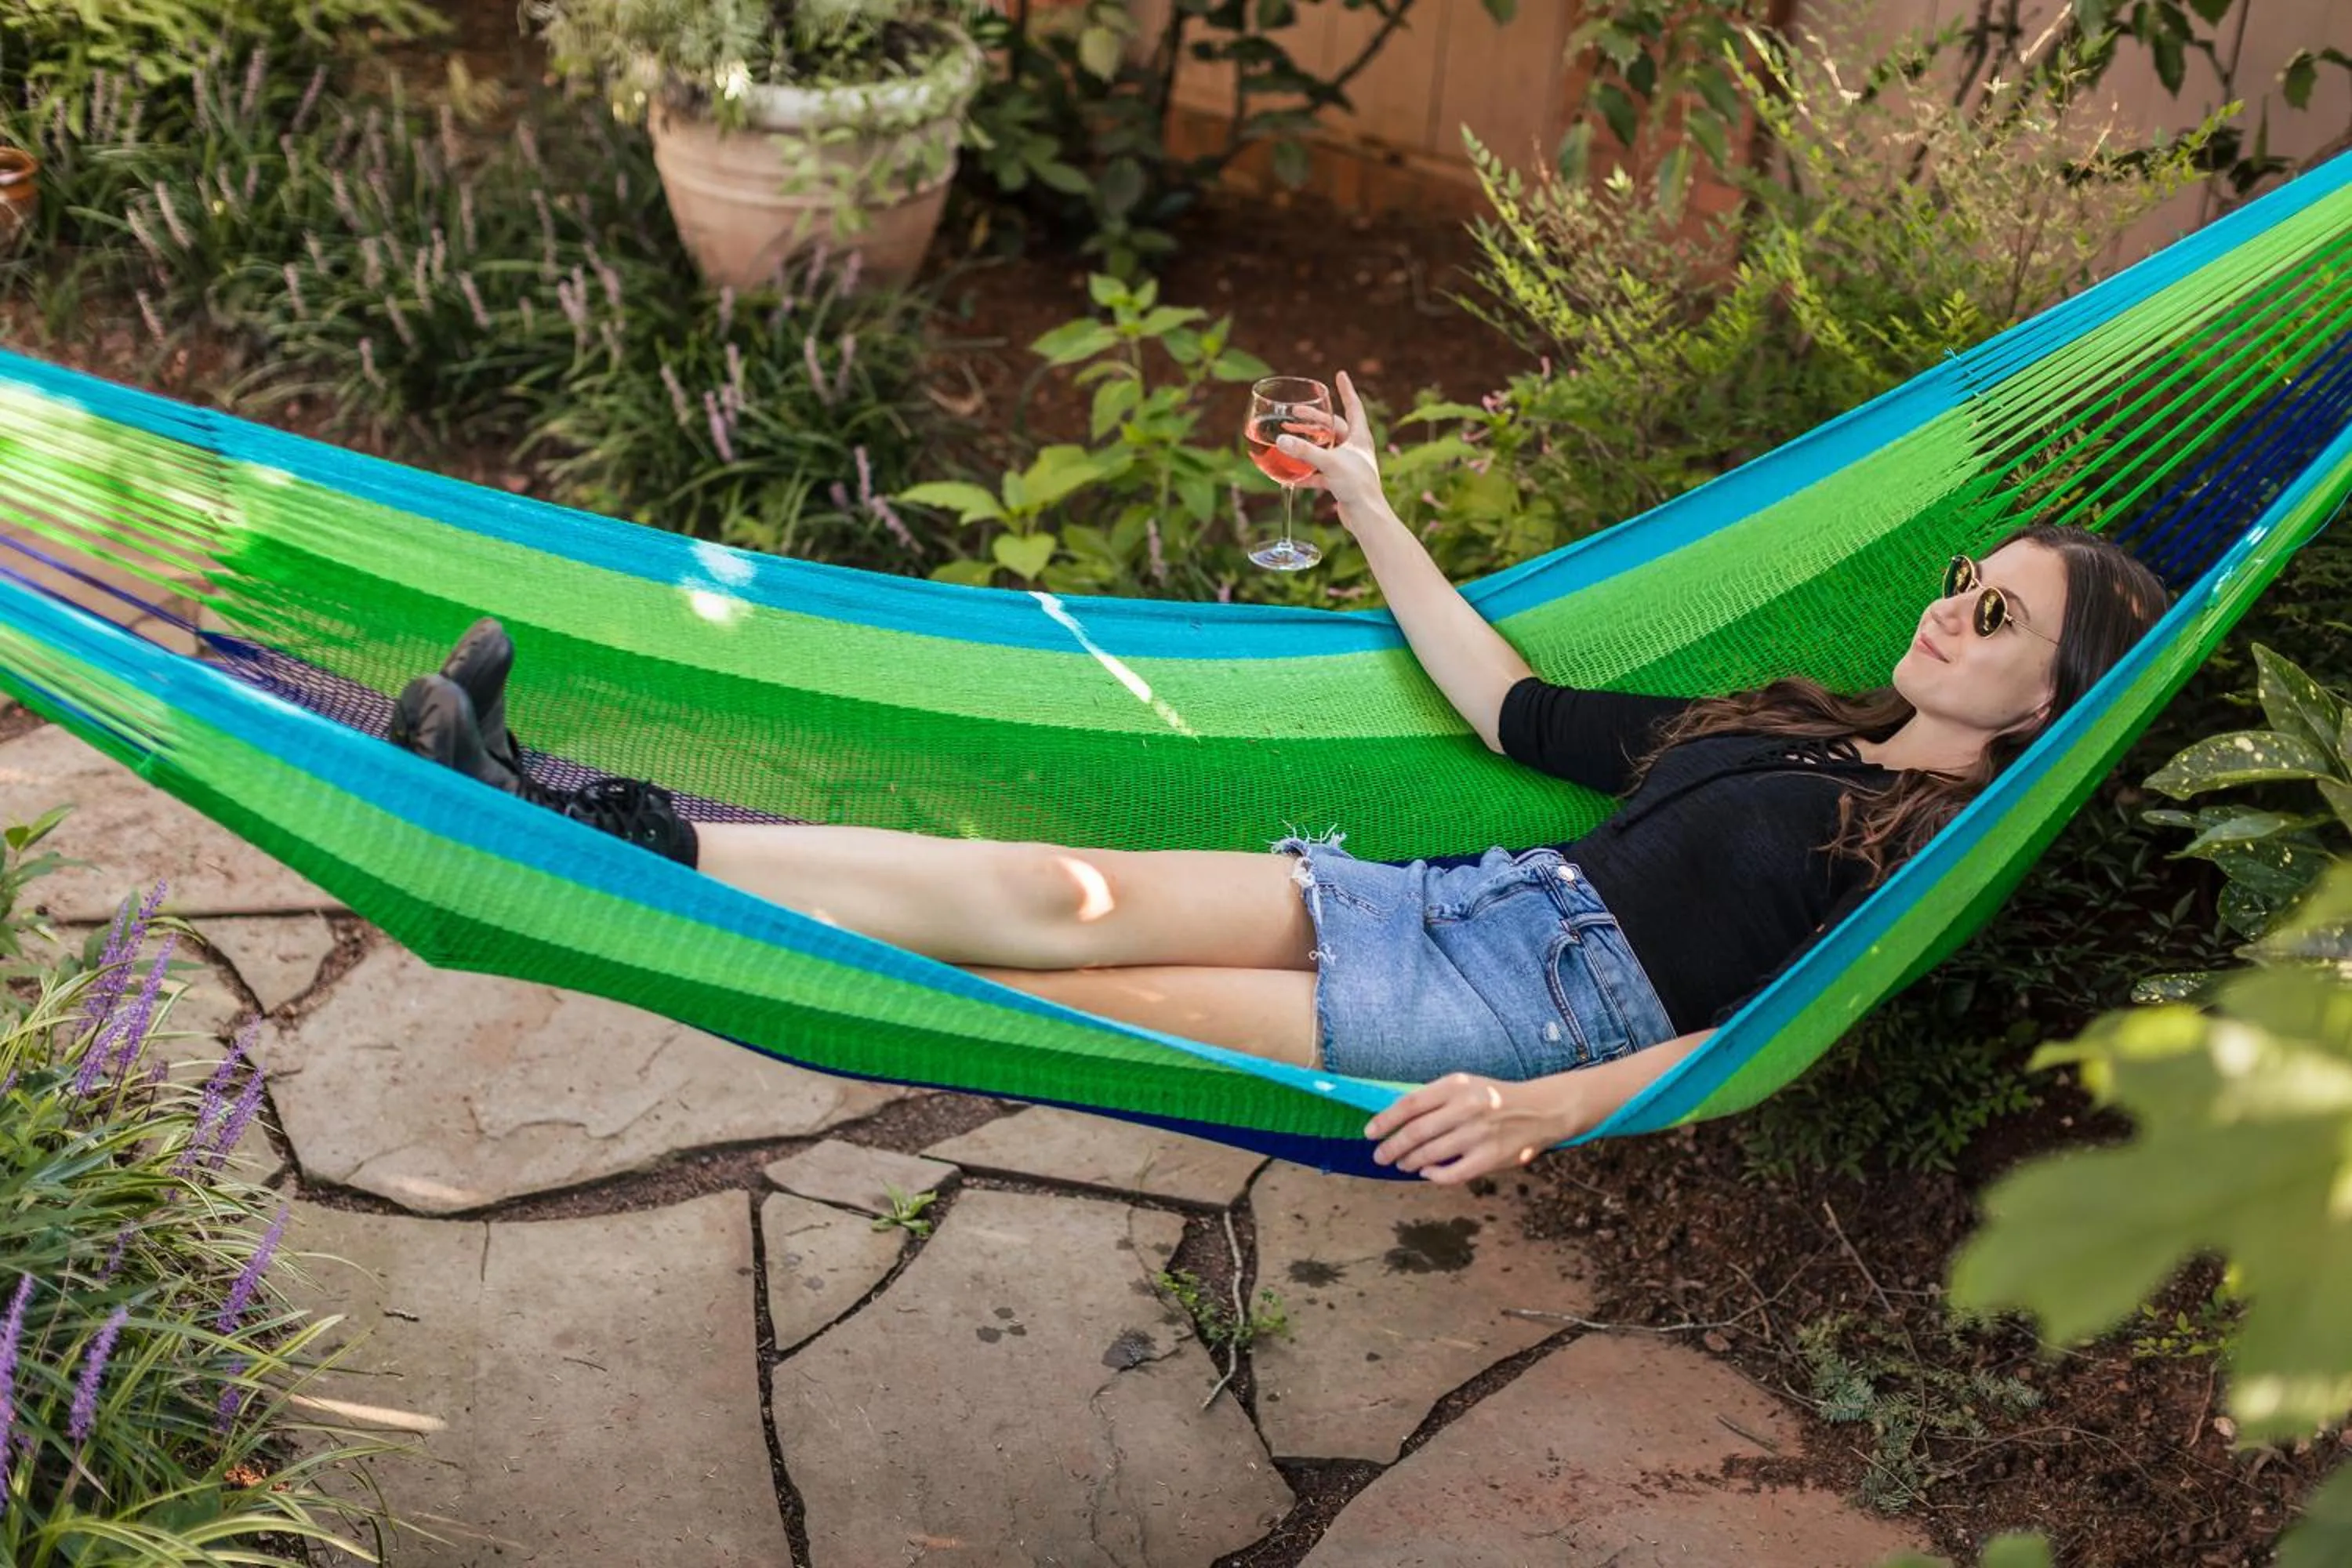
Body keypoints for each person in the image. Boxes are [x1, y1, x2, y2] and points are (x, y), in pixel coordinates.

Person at [386, 371, 2169, 1185]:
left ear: (2048, 692)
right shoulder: (1809, 724)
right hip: (1454, 902)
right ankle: (562, 801)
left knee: (1044, 987)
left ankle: (563, 844)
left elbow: (1773, 1036)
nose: (1951, 606)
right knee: (1032, 890)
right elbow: (1520, 716)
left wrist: (1551, 1108)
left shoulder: (1933, 832)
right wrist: (1372, 498)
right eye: (1959, 578)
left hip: (1524, 1021)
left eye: (1994, 606)